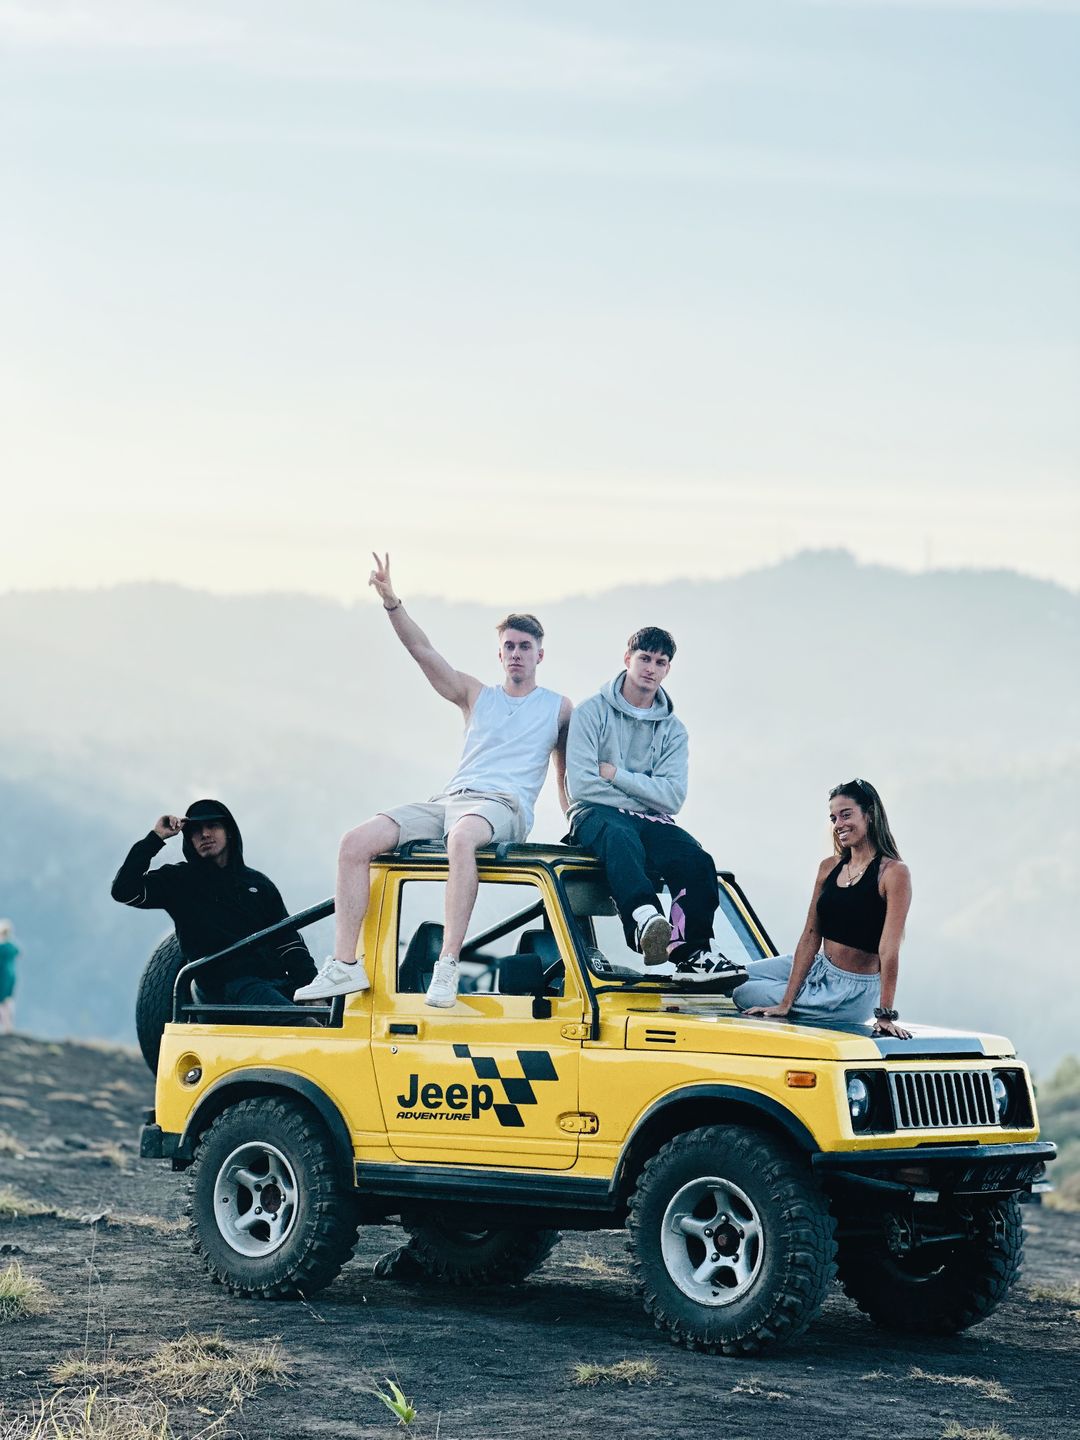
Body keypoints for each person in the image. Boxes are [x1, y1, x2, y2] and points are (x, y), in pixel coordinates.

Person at [295, 553, 573, 1010]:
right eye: (509, 646)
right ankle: (345, 963)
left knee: (461, 839)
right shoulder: (475, 694)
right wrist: (391, 602)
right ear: (499, 652)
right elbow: (422, 652)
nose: (517, 653)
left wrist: (575, 821)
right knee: (355, 842)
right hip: (450, 800)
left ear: (540, 654)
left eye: (525, 646)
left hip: (502, 807)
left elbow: (564, 777)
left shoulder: (558, 708)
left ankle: (447, 965)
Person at [564, 625, 723, 974]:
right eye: (645, 658)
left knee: (696, 858)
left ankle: (692, 952)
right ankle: (645, 919)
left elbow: (673, 798)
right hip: (594, 814)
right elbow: (582, 787)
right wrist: (649, 795)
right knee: (621, 837)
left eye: (660, 662)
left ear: (668, 669)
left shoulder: (674, 730)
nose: (651, 668)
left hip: (649, 820)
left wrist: (615, 775)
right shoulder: (591, 712)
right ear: (627, 659)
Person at [733, 779, 912, 1038]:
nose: (839, 824)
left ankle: (803, 1002)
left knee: (741, 993)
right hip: (819, 966)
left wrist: (885, 1015)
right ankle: (796, 1000)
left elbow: (889, 949)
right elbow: (810, 935)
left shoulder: (893, 872)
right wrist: (786, 1003)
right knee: (731, 976)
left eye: (846, 815)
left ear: (870, 815)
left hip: (849, 991)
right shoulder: (829, 867)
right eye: (833, 818)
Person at [111, 799, 316, 1012]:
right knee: (303, 1023)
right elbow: (124, 891)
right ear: (189, 839)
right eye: (195, 830)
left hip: (274, 985)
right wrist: (155, 838)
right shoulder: (179, 880)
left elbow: (288, 942)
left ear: (228, 831)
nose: (205, 834)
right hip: (222, 990)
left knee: (332, 1011)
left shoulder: (258, 884)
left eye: (212, 826)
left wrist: (312, 989)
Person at [0, 920, 19, 1034]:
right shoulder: (12, 948)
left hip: (2, 977)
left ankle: (6, 1026)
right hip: (11, 978)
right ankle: (9, 1026)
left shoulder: (2, 949)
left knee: (1, 1002)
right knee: (8, 1001)